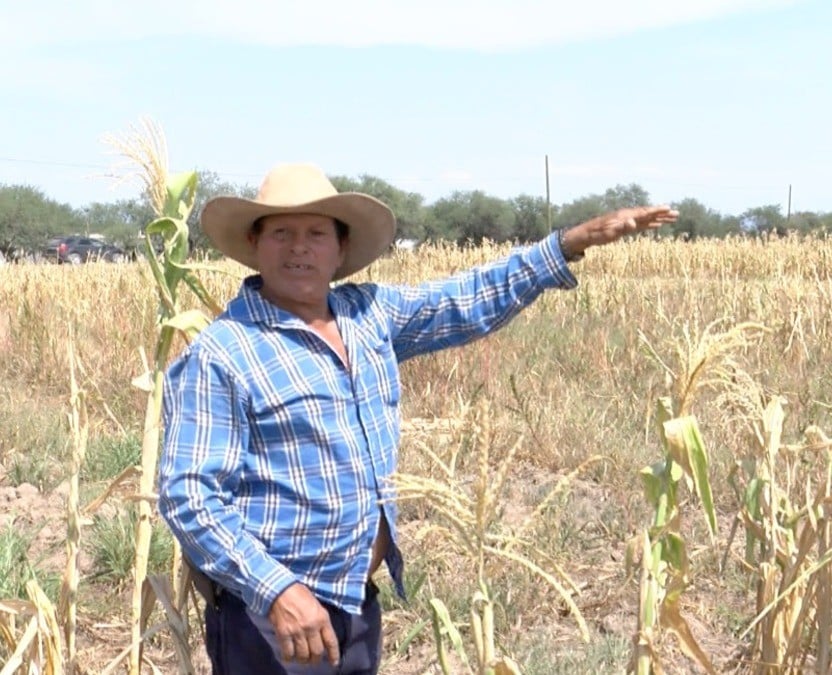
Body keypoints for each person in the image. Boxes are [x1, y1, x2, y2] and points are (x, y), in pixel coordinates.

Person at [157, 163, 677, 674]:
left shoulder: (367, 316)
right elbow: (189, 495)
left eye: (316, 233)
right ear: (254, 244)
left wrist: (567, 243)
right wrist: (278, 592)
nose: (299, 247)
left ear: (340, 249)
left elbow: (463, 301)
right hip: (275, 621)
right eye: (282, 233)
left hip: (355, 603)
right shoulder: (223, 354)